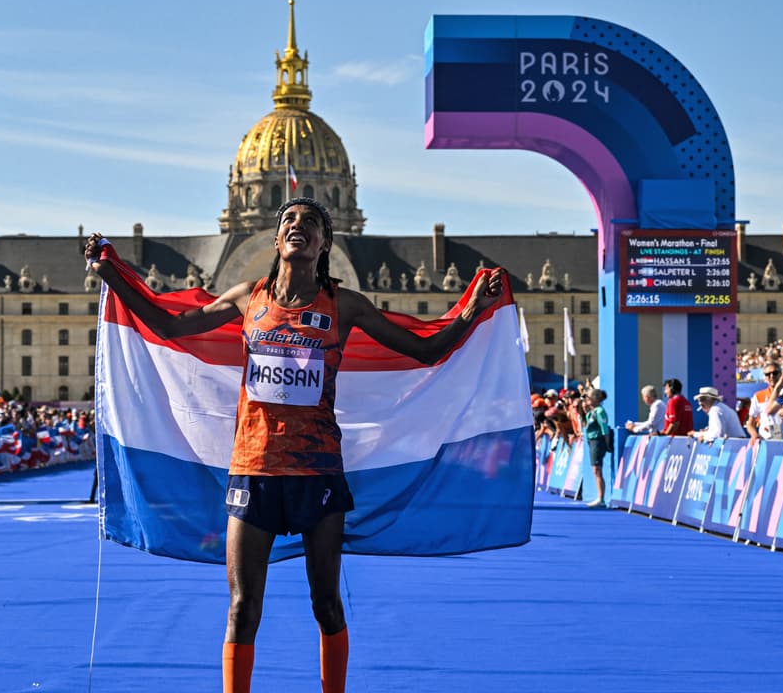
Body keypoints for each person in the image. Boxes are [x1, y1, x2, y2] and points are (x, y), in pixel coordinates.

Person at [85, 198, 504, 693]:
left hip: (318, 469)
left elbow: (426, 348)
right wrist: (112, 274)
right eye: (288, 221)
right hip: (254, 467)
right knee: (243, 607)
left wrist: (473, 306)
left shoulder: (343, 305)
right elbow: (170, 325)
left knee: (325, 602)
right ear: (276, 239)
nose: (298, 227)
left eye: (311, 223)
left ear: (325, 243)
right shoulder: (248, 297)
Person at [581, 388, 610, 507]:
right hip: (591, 440)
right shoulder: (590, 412)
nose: (587, 400)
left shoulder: (599, 411)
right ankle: (600, 496)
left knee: (597, 469)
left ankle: (601, 498)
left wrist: (607, 444)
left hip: (598, 441)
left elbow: (604, 428)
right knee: (595, 470)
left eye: (589, 398)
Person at [745, 363, 783, 441]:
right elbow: (750, 423)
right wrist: (754, 435)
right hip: (765, 440)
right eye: (768, 374)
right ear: (765, 377)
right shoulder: (758, 396)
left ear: (780, 375)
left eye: (775, 373)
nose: (771, 376)